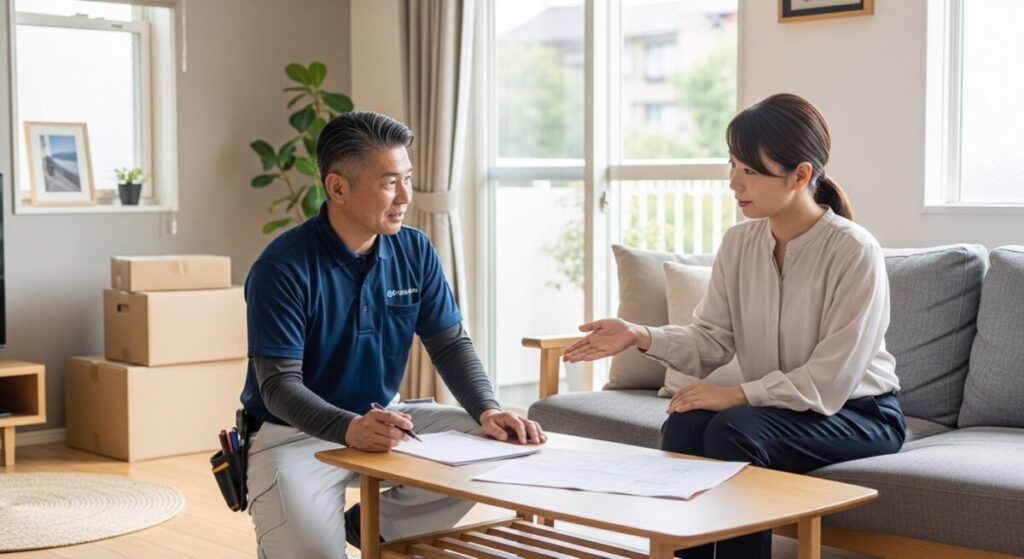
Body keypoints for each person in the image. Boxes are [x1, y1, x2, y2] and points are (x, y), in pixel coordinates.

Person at [562, 93, 905, 559]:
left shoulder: (853, 251)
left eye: (750, 171)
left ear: (800, 175)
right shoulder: (739, 243)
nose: (733, 183)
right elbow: (711, 339)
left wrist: (738, 394)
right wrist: (640, 334)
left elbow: (831, 378)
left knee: (733, 429)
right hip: (786, 411)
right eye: (732, 166)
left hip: (860, 414)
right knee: (684, 422)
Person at [241, 111, 546, 559]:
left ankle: (371, 527)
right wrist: (348, 428)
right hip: (291, 436)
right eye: (389, 183)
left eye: (407, 178)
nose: (405, 195)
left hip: (386, 419)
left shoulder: (415, 249)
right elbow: (278, 385)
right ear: (337, 188)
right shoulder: (281, 267)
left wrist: (487, 408)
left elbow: (448, 343)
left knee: (495, 447)